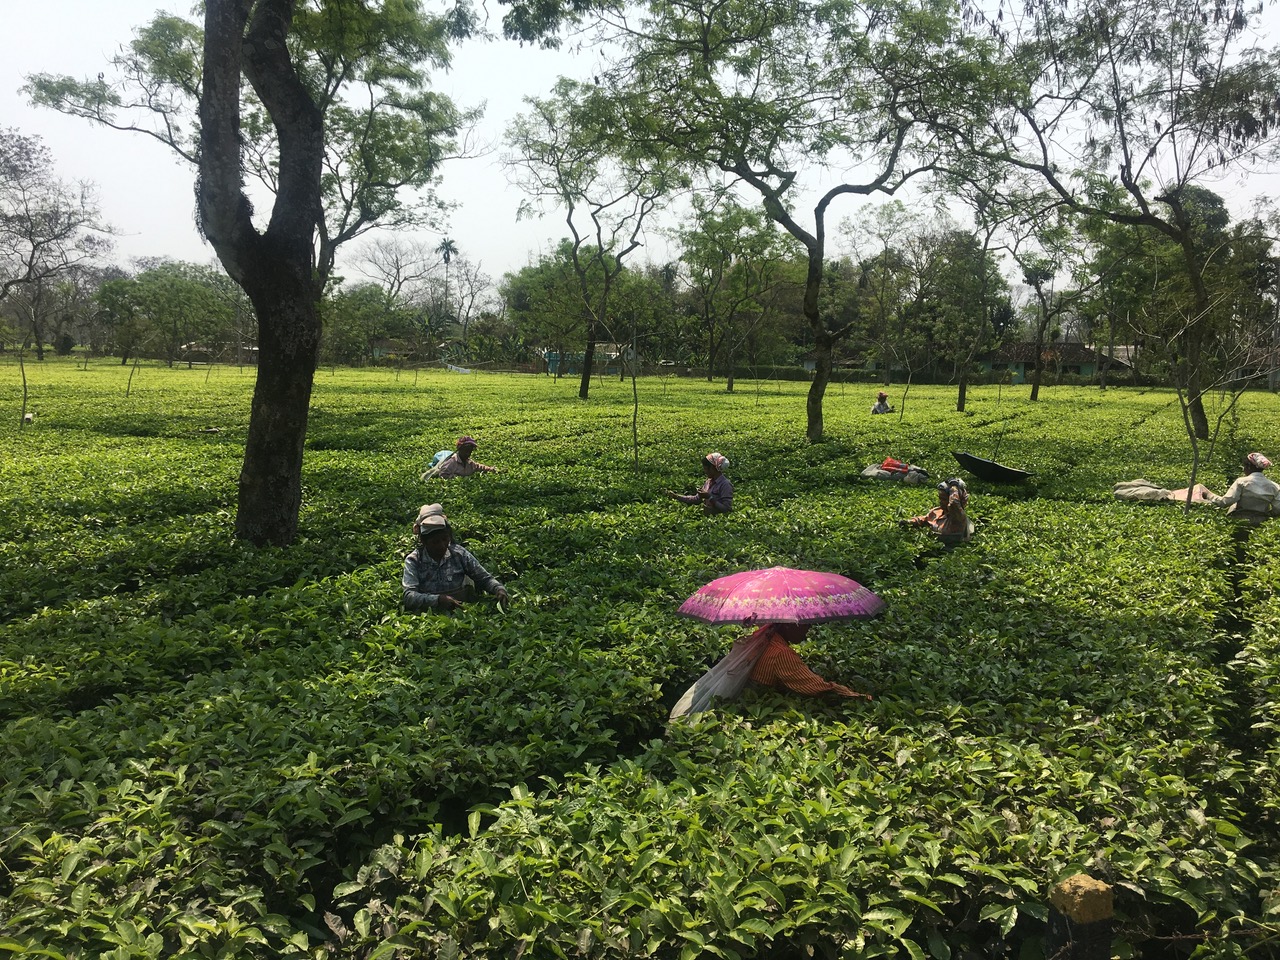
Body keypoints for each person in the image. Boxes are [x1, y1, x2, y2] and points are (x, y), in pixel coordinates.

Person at [402, 506, 509, 612]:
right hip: (430, 616)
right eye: (435, 542)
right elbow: (409, 596)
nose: (442, 545)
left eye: (445, 539)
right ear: (424, 542)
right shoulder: (414, 560)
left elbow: (484, 578)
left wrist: (498, 589)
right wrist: (438, 600)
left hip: (463, 611)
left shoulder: (459, 554)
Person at [1201, 453, 1280, 519]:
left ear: (1248, 467)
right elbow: (1278, 509)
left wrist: (1208, 495)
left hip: (1240, 520)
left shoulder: (1242, 482)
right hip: (1262, 523)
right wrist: (1266, 515)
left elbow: (1225, 502)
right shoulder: (1275, 486)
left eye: (1244, 466)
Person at [904, 477, 974, 544]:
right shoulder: (937, 511)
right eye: (940, 498)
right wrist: (909, 522)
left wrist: (954, 488)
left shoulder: (958, 517)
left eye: (944, 499)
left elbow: (954, 503)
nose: (941, 502)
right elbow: (924, 519)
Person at [667, 452, 733, 515]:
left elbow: (726, 509)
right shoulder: (708, 482)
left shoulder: (725, 484)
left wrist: (709, 497)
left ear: (712, 468)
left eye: (706, 469)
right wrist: (676, 496)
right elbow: (696, 499)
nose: (705, 471)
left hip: (718, 521)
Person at [434, 436, 498, 479]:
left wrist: (490, 469)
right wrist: (456, 477)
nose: (468, 453)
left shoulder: (469, 463)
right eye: (465, 451)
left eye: (470, 451)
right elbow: (443, 474)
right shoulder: (452, 463)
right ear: (460, 449)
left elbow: (478, 467)